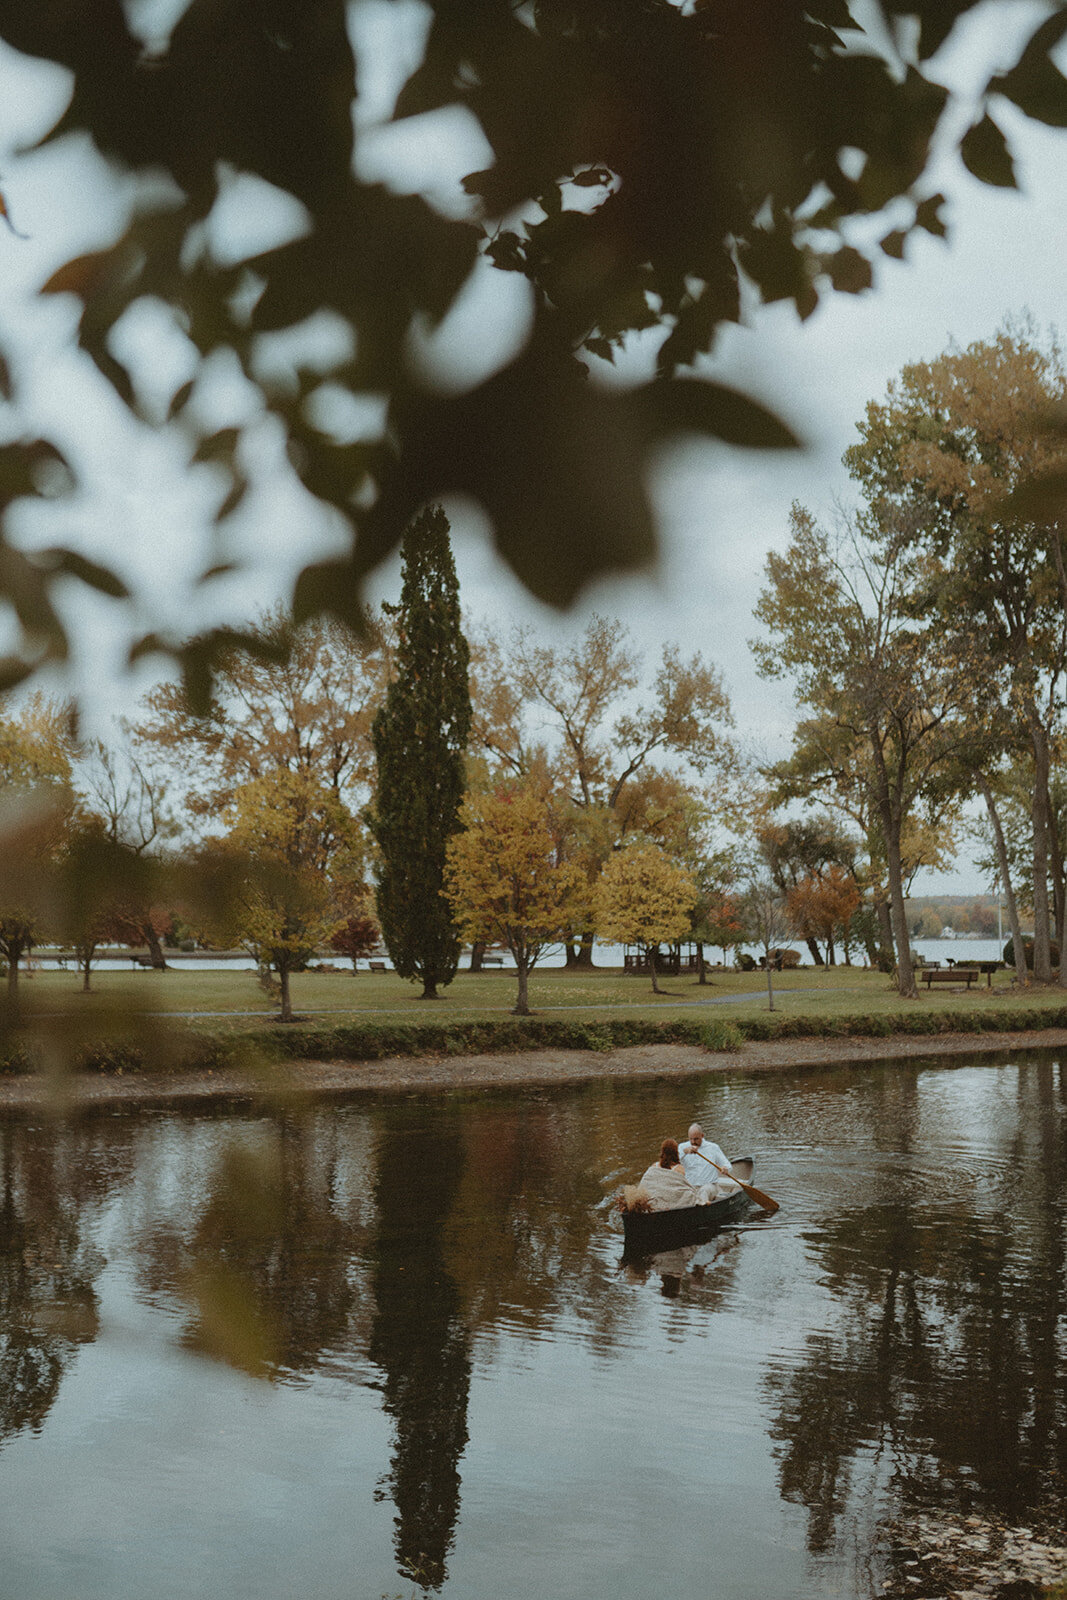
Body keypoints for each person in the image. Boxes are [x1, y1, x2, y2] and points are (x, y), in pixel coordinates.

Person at [638, 1138, 713, 1211]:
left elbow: (645, 1185)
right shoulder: (679, 1168)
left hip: (655, 1201)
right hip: (672, 1202)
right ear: (676, 1152)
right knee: (701, 1190)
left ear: (662, 1152)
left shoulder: (654, 1166)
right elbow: (685, 1187)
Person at [679, 1124, 739, 1197]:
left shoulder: (713, 1147)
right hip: (691, 1186)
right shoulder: (682, 1147)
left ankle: (701, 1205)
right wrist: (684, 1152)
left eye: (696, 1139)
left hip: (710, 1186)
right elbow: (673, 1162)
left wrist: (725, 1168)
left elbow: (728, 1166)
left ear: (702, 1136)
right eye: (690, 1139)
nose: (693, 1142)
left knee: (704, 1191)